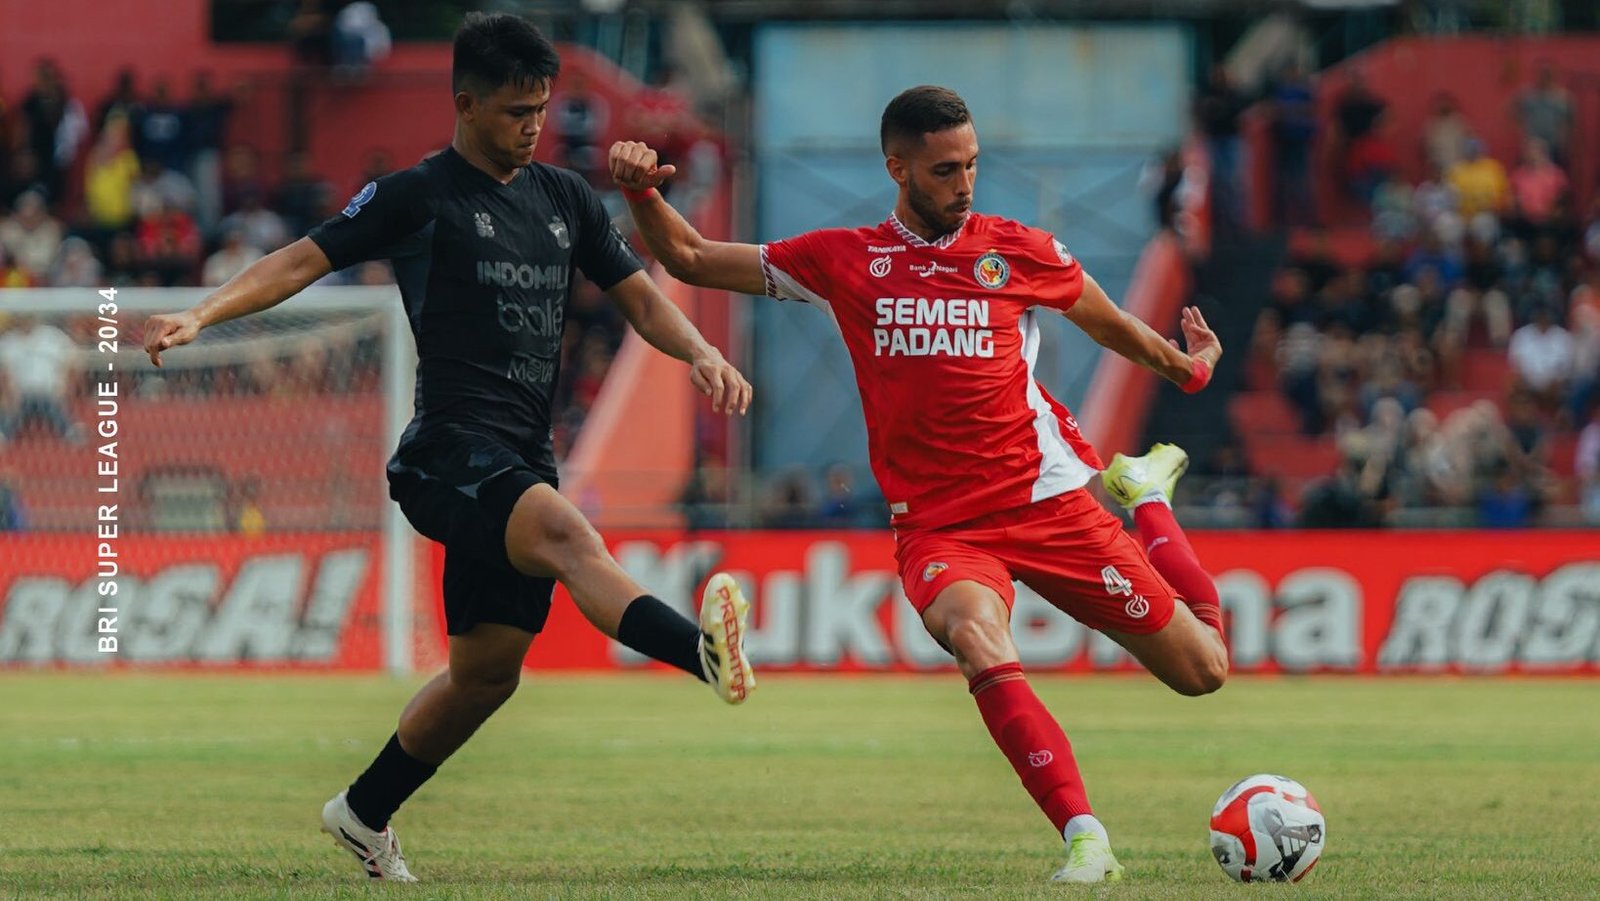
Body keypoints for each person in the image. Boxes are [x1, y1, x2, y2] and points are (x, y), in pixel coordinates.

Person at [142, 13, 756, 883]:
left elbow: (639, 295)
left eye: (541, 108)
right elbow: (298, 261)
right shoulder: (416, 195)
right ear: (465, 104)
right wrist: (200, 313)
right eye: (514, 111)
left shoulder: (566, 198)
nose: (532, 126)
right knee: (572, 537)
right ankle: (703, 652)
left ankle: (361, 811)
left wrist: (698, 349)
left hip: (519, 458)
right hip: (446, 454)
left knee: (485, 676)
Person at [610, 84, 1227, 884]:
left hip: (1045, 500)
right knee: (977, 637)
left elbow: (1111, 324)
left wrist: (1187, 368)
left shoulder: (1019, 250)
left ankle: (1145, 496)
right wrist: (639, 191)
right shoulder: (843, 260)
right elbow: (690, 257)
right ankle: (1086, 838)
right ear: (897, 167)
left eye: (971, 166)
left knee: (1203, 669)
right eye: (944, 170)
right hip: (942, 527)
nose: (964, 184)